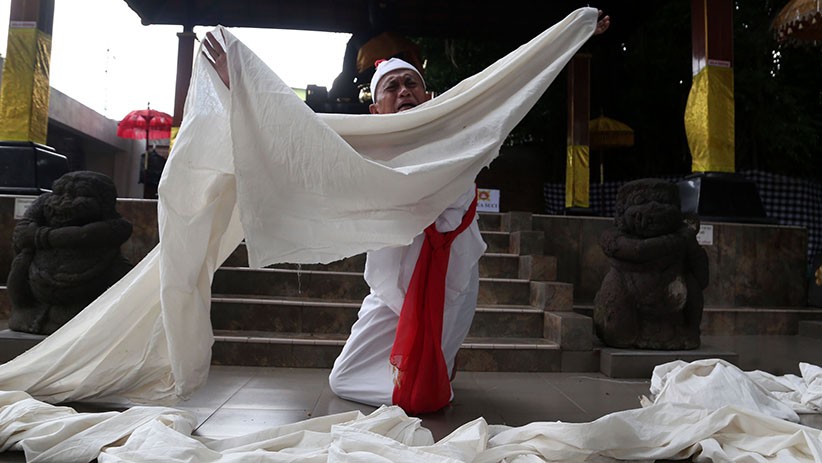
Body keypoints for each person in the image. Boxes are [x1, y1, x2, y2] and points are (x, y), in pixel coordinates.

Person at [201, 10, 610, 413]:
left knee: (426, 390)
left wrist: (571, 37)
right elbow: (292, 130)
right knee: (342, 378)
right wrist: (237, 83)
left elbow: (510, 82)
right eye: (392, 87)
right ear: (375, 110)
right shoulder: (361, 149)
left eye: (411, 83)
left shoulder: (456, 133)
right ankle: (428, 380)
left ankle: (433, 376)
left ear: (428, 97)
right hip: (391, 289)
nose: (403, 91)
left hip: (450, 288)